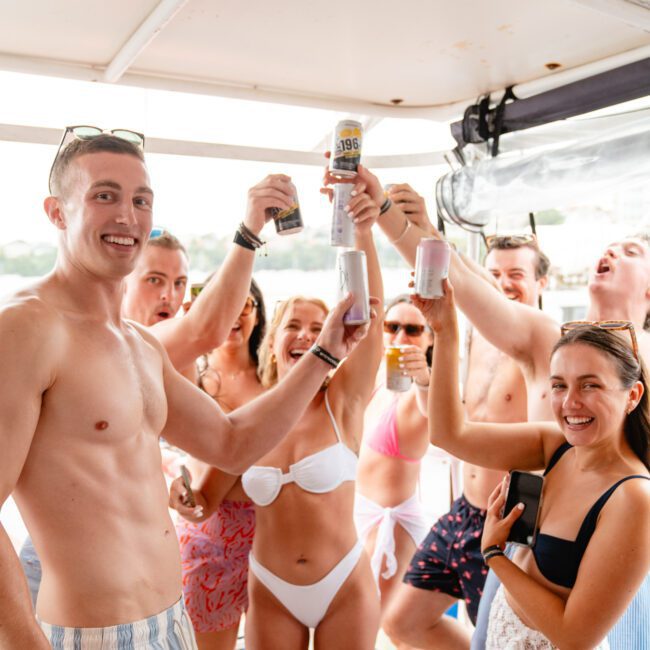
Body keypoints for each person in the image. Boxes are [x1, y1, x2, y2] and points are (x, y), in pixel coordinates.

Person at [0, 130, 370, 649]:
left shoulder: (140, 346)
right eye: (104, 195)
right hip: (89, 635)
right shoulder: (27, 329)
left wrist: (324, 354)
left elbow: (231, 442)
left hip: (173, 624)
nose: (127, 216)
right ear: (57, 212)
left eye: (140, 199)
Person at [17, 172, 289, 607]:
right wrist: (250, 230)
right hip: (63, 576)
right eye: (154, 280)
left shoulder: (157, 356)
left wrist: (167, 469)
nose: (171, 296)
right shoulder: (129, 342)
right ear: (124, 273)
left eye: (180, 283)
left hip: (140, 583)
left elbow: (125, 439)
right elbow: (208, 327)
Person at [416, 278, 649, 648]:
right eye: (559, 385)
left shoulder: (634, 496)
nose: (570, 402)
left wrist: (494, 554)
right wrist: (445, 330)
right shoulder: (556, 446)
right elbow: (449, 434)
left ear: (632, 395)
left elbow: (576, 637)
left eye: (590, 385)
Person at [239, 171, 384, 649]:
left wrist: (362, 227)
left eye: (317, 327)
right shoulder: (251, 413)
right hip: (270, 586)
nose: (304, 335)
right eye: (293, 326)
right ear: (273, 339)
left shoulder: (343, 402)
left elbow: (372, 314)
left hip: (342, 582)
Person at [170, 278, 267, 649]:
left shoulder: (274, 379)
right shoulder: (194, 377)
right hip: (207, 536)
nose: (234, 315)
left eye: (244, 304)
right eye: (223, 305)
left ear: (258, 313)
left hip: (271, 540)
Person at [353, 294, 433, 648]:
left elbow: (438, 415)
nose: (401, 337)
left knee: (373, 625)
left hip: (394, 524)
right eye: (392, 326)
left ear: (430, 337)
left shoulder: (424, 392)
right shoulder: (373, 385)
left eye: (414, 329)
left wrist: (426, 378)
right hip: (360, 516)